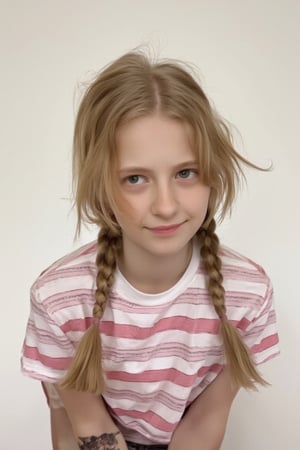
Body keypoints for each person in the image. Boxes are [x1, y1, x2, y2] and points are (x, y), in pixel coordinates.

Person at [21, 50, 279, 450]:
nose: (165, 205)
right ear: (100, 183)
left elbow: (207, 420)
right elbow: (83, 423)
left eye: (185, 173)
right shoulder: (60, 300)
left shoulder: (247, 295)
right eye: (136, 178)